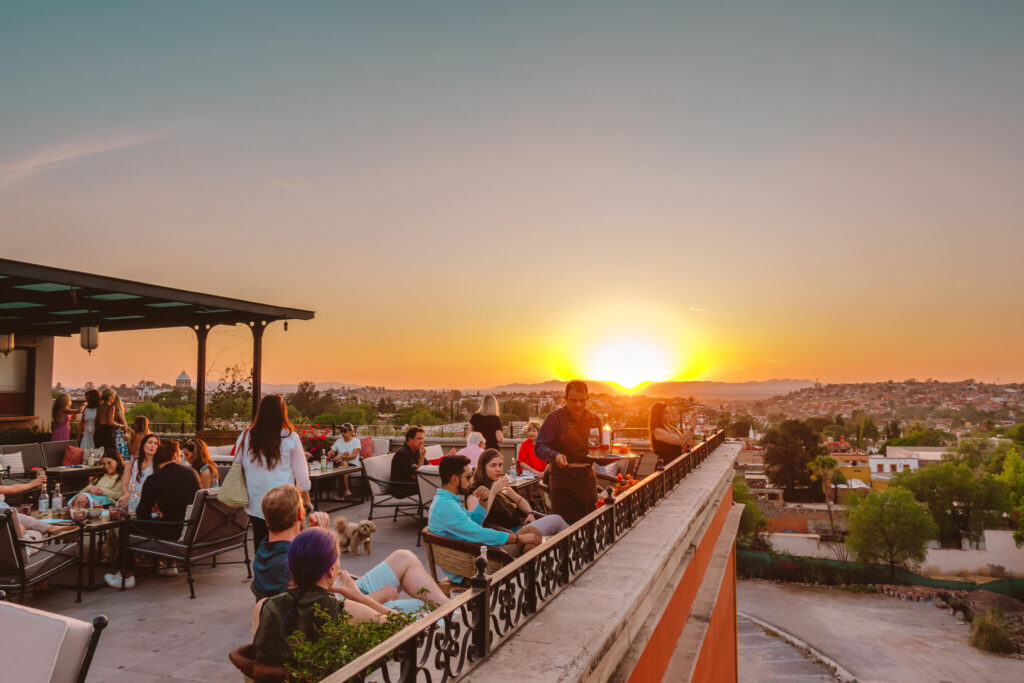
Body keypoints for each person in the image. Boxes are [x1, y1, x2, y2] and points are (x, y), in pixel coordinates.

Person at [253, 485, 448, 614]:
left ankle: (451, 607)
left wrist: (315, 536)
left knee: (403, 557)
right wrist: (378, 596)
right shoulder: (290, 564)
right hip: (345, 604)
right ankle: (454, 612)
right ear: (299, 513)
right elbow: (321, 607)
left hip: (339, 591)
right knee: (427, 609)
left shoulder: (265, 549)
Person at [250, 528, 383, 671]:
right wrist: (358, 596)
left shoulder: (263, 606)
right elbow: (407, 629)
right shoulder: (347, 611)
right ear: (332, 570)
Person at [105, 441, 201, 588]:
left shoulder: (154, 479)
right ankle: (169, 565)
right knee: (164, 519)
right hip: (193, 528)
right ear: (175, 456)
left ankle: (126, 575)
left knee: (127, 525)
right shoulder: (191, 473)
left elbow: (142, 513)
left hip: (173, 530)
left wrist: (156, 514)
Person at [428, 454, 542, 567]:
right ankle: (527, 577)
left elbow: (474, 521)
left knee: (531, 535)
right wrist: (518, 538)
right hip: (475, 563)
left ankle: (527, 576)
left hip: (470, 555)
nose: (471, 480)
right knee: (532, 534)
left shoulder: (445, 501)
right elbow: (479, 533)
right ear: (454, 479)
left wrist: (484, 501)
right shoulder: (447, 507)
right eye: (468, 476)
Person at [237, 394, 311, 553]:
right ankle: (283, 573)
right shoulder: (290, 437)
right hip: (283, 501)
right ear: (282, 412)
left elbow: (238, 463)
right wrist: (305, 497)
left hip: (255, 500)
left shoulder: (247, 435)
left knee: (260, 541)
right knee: (286, 543)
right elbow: (302, 474)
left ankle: (262, 573)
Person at [535, 380, 602, 524]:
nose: (578, 404)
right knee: (565, 530)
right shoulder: (554, 419)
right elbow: (539, 446)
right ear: (565, 399)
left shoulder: (595, 420)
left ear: (588, 399)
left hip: (587, 481)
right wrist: (555, 455)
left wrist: (610, 455)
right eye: (573, 400)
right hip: (562, 482)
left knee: (590, 524)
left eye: (582, 401)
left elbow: (601, 450)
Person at [467, 449, 568, 537]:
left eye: (500, 465)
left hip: (522, 528)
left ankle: (569, 553)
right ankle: (577, 551)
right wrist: (493, 492)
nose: (498, 469)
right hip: (510, 535)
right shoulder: (476, 491)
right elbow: (475, 522)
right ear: (483, 468)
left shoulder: (499, 483)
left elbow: (519, 500)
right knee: (557, 520)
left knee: (557, 523)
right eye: (493, 465)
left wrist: (530, 512)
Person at [121, 433, 159, 503]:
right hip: (133, 498)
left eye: (156, 444)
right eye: (150, 442)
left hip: (151, 500)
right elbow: (125, 484)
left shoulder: (159, 465)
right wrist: (127, 494)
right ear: (143, 445)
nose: (152, 446)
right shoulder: (131, 464)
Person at [390, 426, 426, 498]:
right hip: (401, 490)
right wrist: (422, 458)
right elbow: (416, 476)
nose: (421, 442)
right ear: (410, 439)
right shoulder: (403, 454)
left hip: (413, 486)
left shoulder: (416, 451)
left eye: (422, 438)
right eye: (419, 438)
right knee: (435, 488)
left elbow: (428, 466)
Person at [326, 423, 360, 497]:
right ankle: (345, 491)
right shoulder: (339, 441)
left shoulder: (356, 441)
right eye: (341, 431)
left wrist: (341, 456)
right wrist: (331, 453)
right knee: (343, 464)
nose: (342, 433)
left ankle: (342, 493)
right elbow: (331, 451)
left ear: (351, 432)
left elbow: (354, 456)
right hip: (340, 463)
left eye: (345, 431)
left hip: (353, 464)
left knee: (344, 465)